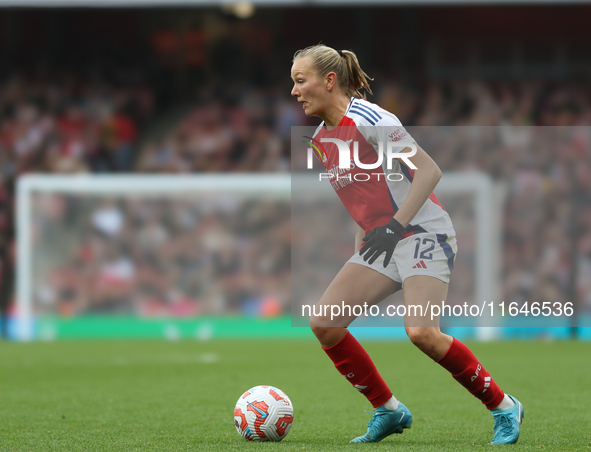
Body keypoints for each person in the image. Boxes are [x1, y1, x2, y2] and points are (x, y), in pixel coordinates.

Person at [290, 44, 524, 445]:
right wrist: (361, 246)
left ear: (329, 81)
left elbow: (429, 171)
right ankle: (389, 410)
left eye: (300, 80)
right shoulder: (319, 140)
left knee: (421, 332)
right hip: (380, 243)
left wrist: (395, 227)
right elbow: (362, 202)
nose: (294, 91)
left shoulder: (370, 119)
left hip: (421, 233)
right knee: (325, 323)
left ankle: (505, 407)